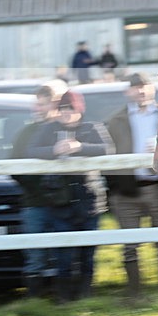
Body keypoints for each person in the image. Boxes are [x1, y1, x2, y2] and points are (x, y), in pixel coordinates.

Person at [25, 90, 115, 302]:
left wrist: (80, 147)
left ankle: (85, 294)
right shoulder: (49, 129)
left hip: (89, 201)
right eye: (63, 108)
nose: (66, 113)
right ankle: (63, 296)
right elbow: (32, 150)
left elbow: (108, 149)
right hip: (59, 202)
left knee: (88, 253)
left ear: (79, 109)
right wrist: (54, 150)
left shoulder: (92, 128)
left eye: (70, 108)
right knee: (63, 253)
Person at [105, 72, 158, 299]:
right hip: (127, 191)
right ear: (128, 92)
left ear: (152, 89)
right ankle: (134, 293)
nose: (141, 91)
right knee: (129, 246)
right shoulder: (115, 121)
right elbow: (108, 157)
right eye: (136, 87)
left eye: (145, 86)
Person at [12, 81, 67, 298]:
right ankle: (34, 299)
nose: (38, 109)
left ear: (53, 104)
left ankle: (63, 297)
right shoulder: (26, 132)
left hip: (63, 203)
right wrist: (40, 189)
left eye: (42, 104)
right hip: (34, 203)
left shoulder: (65, 130)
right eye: (37, 104)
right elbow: (14, 168)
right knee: (35, 254)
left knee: (63, 252)